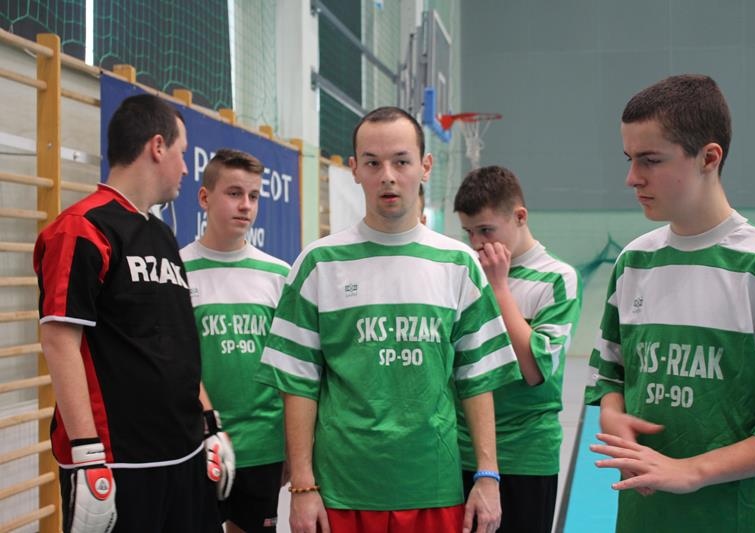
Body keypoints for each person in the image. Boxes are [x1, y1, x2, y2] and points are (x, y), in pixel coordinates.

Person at [256, 106, 520, 533]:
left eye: (401, 161)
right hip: (342, 491)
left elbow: (477, 379)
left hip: (433, 487)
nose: (388, 176)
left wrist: (488, 476)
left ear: (425, 166)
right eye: (373, 163)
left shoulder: (459, 264)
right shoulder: (318, 263)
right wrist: (302, 486)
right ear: (355, 169)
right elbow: (298, 383)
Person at [584, 74, 755, 532]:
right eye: (629, 159)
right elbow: (610, 374)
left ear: (709, 157)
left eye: (650, 160)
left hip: (740, 520)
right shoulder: (633, 262)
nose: (632, 178)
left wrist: (692, 471)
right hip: (644, 518)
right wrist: (613, 414)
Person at [33, 94, 230, 533]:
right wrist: (87, 454)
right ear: (157, 146)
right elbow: (60, 340)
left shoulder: (162, 234)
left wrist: (209, 424)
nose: (185, 169)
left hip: (184, 453)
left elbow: (176, 345)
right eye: (182, 153)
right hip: (119, 463)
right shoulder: (82, 228)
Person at [453, 165, 582, 533]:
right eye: (469, 232)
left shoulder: (557, 278)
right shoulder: (465, 273)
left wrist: (498, 288)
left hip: (525, 455)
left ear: (520, 217)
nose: (477, 243)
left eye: (486, 230)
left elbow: (534, 370)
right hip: (463, 450)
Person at [181, 148, 290, 532]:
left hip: (263, 446)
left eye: (254, 196)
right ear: (204, 197)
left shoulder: (278, 275)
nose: (246, 205)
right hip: (198, 445)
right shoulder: (177, 271)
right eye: (234, 193)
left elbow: (290, 371)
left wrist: (293, 447)